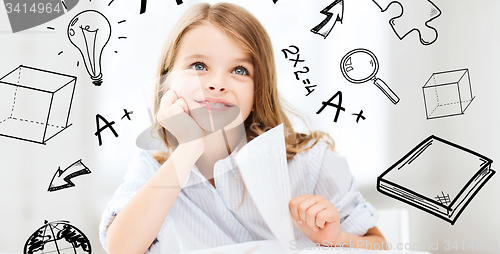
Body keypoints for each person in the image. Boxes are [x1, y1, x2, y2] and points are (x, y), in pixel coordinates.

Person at [99, 2, 386, 253]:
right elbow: (121, 249)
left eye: (239, 71)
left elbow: (381, 247)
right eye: (199, 65)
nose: (218, 83)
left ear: (257, 90)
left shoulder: (309, 160)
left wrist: (337, 238)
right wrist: (188, 147)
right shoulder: (154, 168)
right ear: (167, 82)